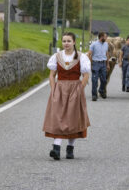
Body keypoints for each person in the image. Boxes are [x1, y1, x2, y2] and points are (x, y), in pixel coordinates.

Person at [43, 32, 91, 160]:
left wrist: (80, 88)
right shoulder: (57, 56)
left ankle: (70, 148)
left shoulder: (82, 57)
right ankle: (56, 148)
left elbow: (86, 75)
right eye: (64, 41)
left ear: (74, 42)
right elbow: (52, 75)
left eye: (69, 41)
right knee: (58, 117)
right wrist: (53, 88)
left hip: (75, 88)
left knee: (73, 118)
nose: (66, 43)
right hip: (60, 88)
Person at [88, 32, 110, 101]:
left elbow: (107, 54)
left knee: (104, 80)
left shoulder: (106, 44)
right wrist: (90, 64)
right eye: (105, 37)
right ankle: (94, 95)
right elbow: (89, 54)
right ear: (101, 37)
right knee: (94, 80)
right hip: (95, 63)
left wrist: (107, 64)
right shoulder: (94, 44)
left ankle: (101, 90)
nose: (106, 38)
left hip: (103, 64)